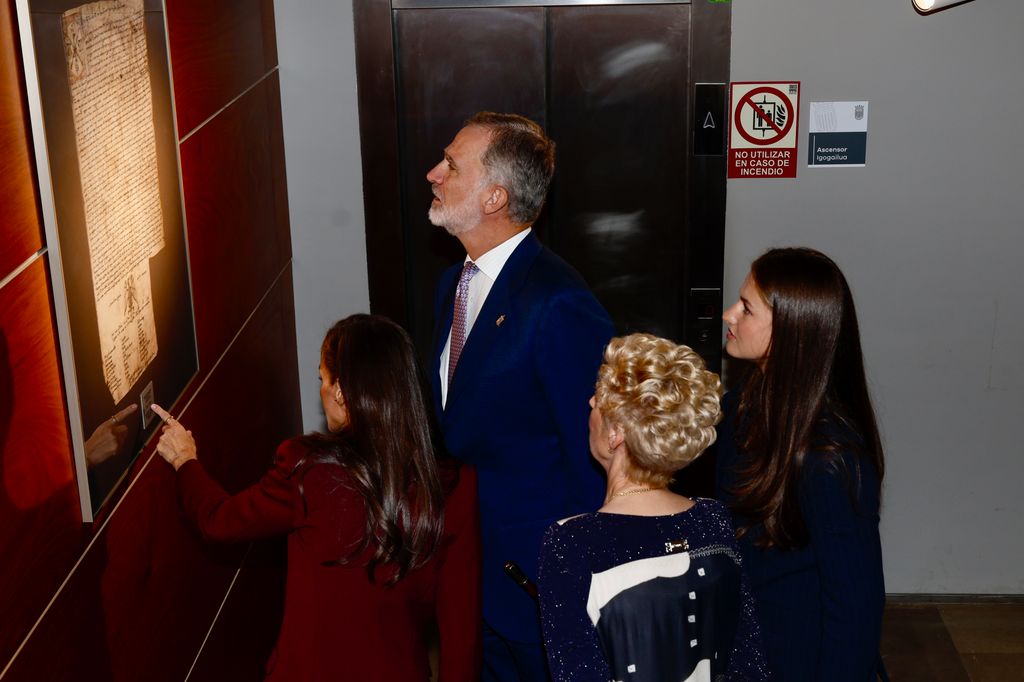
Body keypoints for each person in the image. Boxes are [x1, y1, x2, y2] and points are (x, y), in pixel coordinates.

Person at [152, 314, 481, 681]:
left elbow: (219, 521)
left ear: (341, 391)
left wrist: (185, 460)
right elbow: (461, 636)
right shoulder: (453, 485)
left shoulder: (308, 469)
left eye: (322, 379)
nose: (321, 391)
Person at [426, 111, 615, 681]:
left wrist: (575, 586)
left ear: (494, 198)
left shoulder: (559, 303)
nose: (434, 173)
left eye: (452, 165)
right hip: (471, 572)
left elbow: (596, 456)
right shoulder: (454, 283)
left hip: (538, 589)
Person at [538, 333, 769, 682]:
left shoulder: (573, 542)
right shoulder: (713, 519)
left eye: (598, 397)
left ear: (616, 432)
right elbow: (748, 661)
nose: (589, 402)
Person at [716, 247, 887, 681]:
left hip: (801, 660)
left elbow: (855, 611)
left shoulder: (831, 459)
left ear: (790, 332)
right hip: (751, 643)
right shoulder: (745, 402)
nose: (728, 314)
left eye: (747, 308)